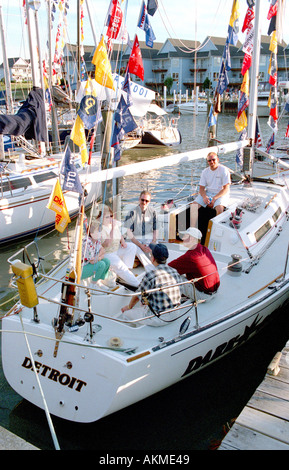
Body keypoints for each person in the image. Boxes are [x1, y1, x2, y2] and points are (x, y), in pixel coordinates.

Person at [121, 243, 184, 326]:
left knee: (126, 315)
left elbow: (137, 296)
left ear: (152, 258)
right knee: (143, 304)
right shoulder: (174, 271)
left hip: (160, 318)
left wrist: (129, 307)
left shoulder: (151, 275)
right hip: (176, 313)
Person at [168, 227, 220, 302]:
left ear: (192, 239)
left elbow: (168, 268)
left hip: (203, 296)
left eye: (185, 236)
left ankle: (174, 299)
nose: (182, 239)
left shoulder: (191, 257)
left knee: (171, 276)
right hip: (214, 291)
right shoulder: (204, 249)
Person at [95, 205, 140, 288]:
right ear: (101, 218)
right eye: (107, 217)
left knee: (132, 247)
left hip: (116, 249)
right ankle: (137, 284)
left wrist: (122, 241)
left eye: (111, 216)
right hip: (107, 254)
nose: (110, 219)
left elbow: (118, 232)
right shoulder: (100, 228)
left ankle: (125, 272)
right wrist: (112, 228)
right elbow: (107, 244)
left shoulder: (112, 223)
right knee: (120, 266)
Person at [124, 190, 158, 270]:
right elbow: (129, 233)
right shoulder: (132, 213)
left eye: (147, 201)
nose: (144, 202)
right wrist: (140, 245)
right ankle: (150, 268)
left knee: (155, 248)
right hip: (135, 238)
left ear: (149, 201)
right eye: (142, 200)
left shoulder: (153, 212)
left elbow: (155, 229)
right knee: (136, 248)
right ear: (139, 199)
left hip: (148, 238)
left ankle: (142, 262)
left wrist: (153, 242)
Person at [192, 151, 231, 217]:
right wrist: (204, 197)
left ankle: (216, 227)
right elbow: (201, 188)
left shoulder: (224, 170)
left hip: (221, 194)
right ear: (207, 162)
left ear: (217, 159)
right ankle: (193, 226)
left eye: (213, 160)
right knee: (193, 207)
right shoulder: (205, 172)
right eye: (209, 160)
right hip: (208, 193)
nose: (212, 162)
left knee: (219, 209)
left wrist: (214, 198)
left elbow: (226, 189)